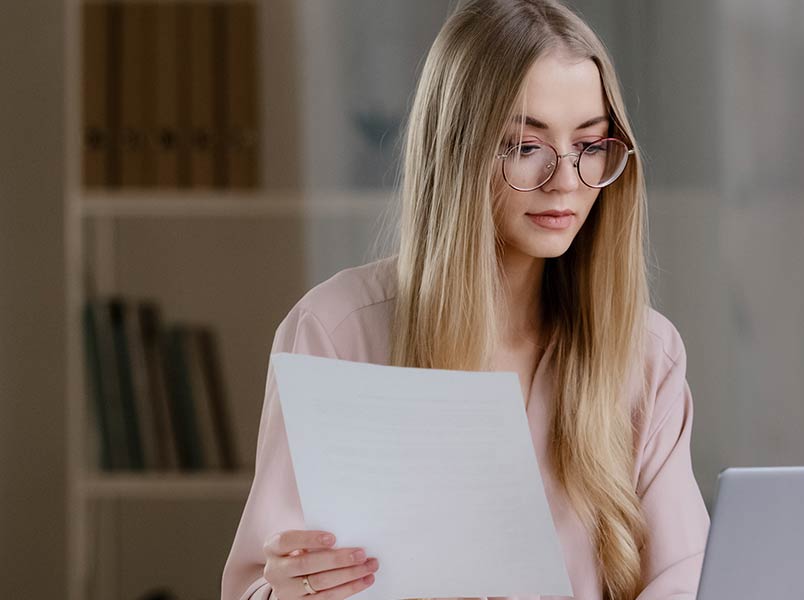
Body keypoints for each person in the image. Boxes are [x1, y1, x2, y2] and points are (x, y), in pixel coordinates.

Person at [220, 1, 709, 599]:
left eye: (589, 146)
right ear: (458, 152)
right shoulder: (336, 330)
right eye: (525, 147)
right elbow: (256, 588)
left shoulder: (646, 352)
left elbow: (685, 583)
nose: (565, 180)